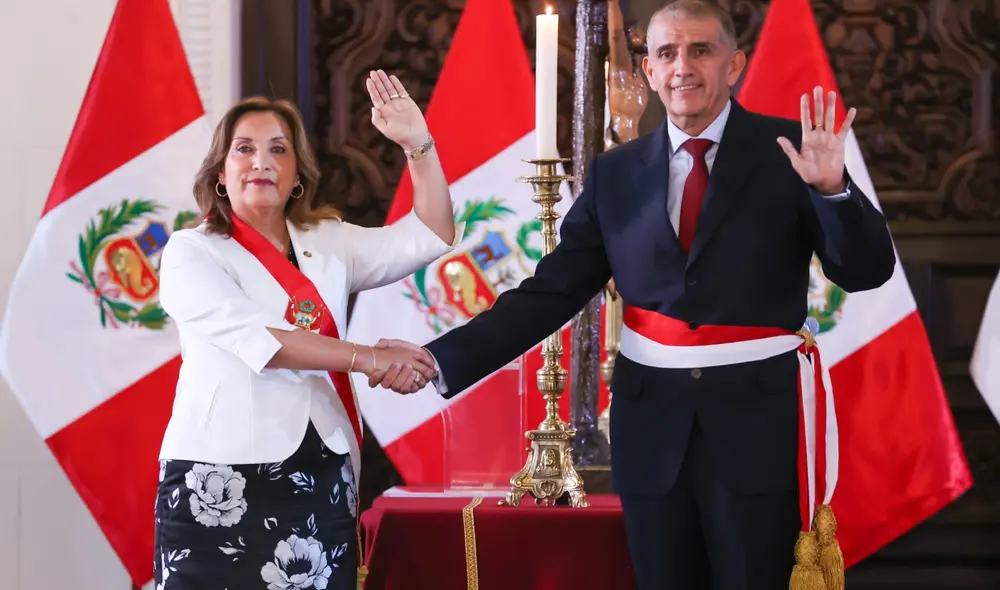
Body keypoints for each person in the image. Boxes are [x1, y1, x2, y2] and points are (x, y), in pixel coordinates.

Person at [368, 1, 896, 589]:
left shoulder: (792, 151)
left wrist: (834, 191)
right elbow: (551, 292)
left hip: (755, 426)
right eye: (666, 53)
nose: (682, 67)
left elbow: (866, 271)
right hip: (652, 430)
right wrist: (440, 358)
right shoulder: (615, 173)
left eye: (701, 51)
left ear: (733, 64)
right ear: (648, 70)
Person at [153, 71, 458, 589]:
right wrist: (368, 357)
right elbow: (264, 343)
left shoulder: (328, 240)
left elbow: (430, 233)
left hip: (319, 468)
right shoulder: (191, 251)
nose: (261, 161)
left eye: (278, 149)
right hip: (216, 477)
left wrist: (418, 144)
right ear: (221, 173)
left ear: (297, 174)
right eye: (244, 149)